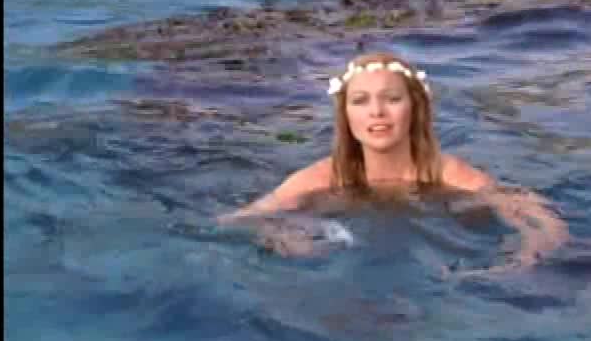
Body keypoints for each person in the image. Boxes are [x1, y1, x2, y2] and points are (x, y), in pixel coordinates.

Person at [217, 51, 570, 274]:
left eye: (392, 99)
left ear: (415, 108)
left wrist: (523, 258)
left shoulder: (449, 174)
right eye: (360, 101)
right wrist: (277, 233)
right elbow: (238, 221)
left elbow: (542, 219)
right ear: (345, 115)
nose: (377, 112)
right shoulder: (320, 178)